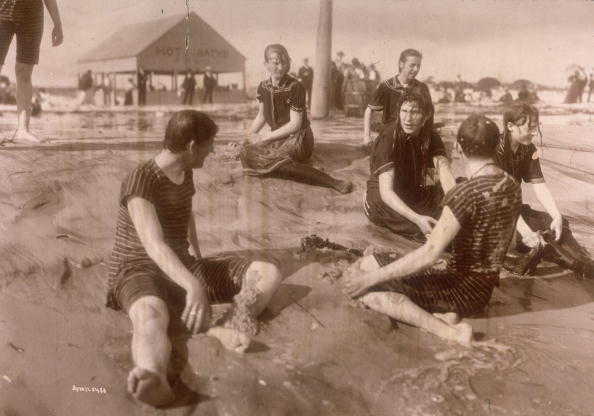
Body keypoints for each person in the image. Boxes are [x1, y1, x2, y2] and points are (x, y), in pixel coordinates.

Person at [106, 110, 283, 406]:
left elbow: (185, 218)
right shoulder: (141, 179)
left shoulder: (185, 171)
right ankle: (152, 374)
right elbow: (153, 243)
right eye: (209, 144)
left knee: (267, 272)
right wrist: (193, 286)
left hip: (180, 266)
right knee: (151, 316)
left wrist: (199, 264)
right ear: (191, 147)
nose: (212, 150)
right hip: (136, 268)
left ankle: (232, 323)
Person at [343, 114, 522, 346]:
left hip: (459, 289)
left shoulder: (464, 193)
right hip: (483, 289)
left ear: (458, 148)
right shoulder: (512, 185)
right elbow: (510, 241)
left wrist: (369, 279)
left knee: (366, 285)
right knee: (376, 263)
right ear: (497, 144)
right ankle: (448, 314)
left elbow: (429, 254)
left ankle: (449, 332)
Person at [495, 103, 593, 277]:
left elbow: (539, 185)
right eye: (529, 128)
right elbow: (501, 199)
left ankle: (584, 263)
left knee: (553, 225)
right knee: (532, 235)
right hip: (493, 211)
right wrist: (526, 231)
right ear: (510, 126)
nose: (534, 132)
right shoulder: (495, 150)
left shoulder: (529, 149)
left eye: (536, 128)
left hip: (513, 210)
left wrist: (557, 216)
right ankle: (575, 263)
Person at [239, 44, 352, 194]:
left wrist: (265, 137)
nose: (281, 67)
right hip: (278, 139)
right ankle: (295, 167)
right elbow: (261, 116)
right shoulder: (262, 87)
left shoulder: (295, 87)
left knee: (277, 163)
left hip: (299, 138)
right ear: (266, 64)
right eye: (276, 62)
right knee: (245, 153)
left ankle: (332, 182)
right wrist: (247, 137)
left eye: (284, 62)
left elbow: (295, 124)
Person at [364, 92, 456, 241]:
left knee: (456, 193)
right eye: (404, 111)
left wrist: (456, 205)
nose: (408, 119)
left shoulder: (431, 137)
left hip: (416, 190)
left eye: (415, 112)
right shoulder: (389, 138)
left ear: (426, 116)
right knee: (426, 232)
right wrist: (417, 219)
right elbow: (386, 192)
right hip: (386, 194)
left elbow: (444, 172)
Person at [0, 0, 62, 143]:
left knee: (24, 72)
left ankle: (23, 129)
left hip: (32, 17)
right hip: (2, 13)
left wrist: (57, 24)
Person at [363, 49, 433, 147]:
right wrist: (367, 136)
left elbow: (429, 116)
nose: (416, 69)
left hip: (414, 137)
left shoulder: (422, 88)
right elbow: (369, 110)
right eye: (412, 65)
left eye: (418, 66)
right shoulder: (386, 86)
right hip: (390, 138)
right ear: (401, 64)